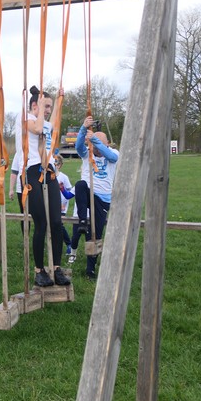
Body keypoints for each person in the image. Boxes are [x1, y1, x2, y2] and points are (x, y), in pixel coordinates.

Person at [24, 85, 70, 287]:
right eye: (46, 106)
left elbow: (54, 123)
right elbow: (36, 129)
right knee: (41, 223)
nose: (48, 110)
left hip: (49, 171)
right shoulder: (26, 118)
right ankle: (39, 270)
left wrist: (59, 101)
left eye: (50, 107)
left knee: (57, 222)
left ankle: (57, 268)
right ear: (35, 105)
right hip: (33, 171)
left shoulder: (46, 123)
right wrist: (43, 107)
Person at [74, 116, 119, 279]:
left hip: (103, 199)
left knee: (95, 234)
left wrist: (95, 140)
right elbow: (78, 146)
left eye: (100, 145)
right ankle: (82, 221)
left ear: (106, 144)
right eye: (94, 146)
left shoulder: (113, 153)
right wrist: (83, 129)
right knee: (80, 185)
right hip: (88, 193)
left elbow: (111, 157)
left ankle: (90, 269)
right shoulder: (87, 154)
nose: (97, 150)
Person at [54, 154, 74, 259]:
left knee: (59, 225)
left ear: (60, 165)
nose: (55, 165)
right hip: (51, 205)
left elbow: (69, 192)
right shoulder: (47, 177)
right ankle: (54, 244)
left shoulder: (63, 177)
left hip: (61, 206)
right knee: (51, 225)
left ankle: (69, 244)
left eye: (57, 163)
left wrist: (64, 204)